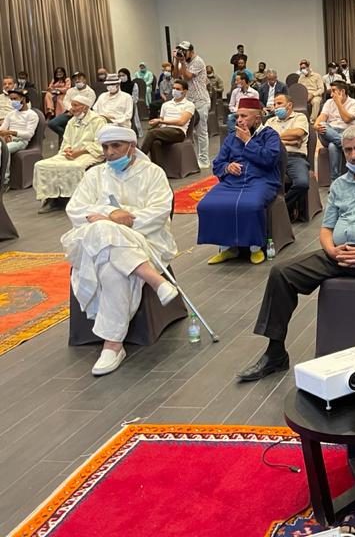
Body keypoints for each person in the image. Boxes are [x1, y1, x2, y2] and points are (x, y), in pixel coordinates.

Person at [237, 125, 355, 381]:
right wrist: (332, 251)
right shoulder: (340, 184)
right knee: (281, 272)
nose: (354, 156)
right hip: (341, 252)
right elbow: (326, 229)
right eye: (348, 150)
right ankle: (275, 352)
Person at [62, 125, 179, 376]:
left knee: (108, 253)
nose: (110, 152)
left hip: (145, 238)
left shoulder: (153, 173)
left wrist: (118, 219)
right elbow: (75, 209)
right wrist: (111, 214)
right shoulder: (94, 174)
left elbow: (159, 213)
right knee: (104, 233)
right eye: (105, 147)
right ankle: (154, 280)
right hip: (95, 241)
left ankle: (113, 345)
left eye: (116, 146)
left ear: (132, 147)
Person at [199, 97, 282, 265]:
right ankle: (228, 248)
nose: (239, 120)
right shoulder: (232, 137)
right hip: (232, 182)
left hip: (261, 181)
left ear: (257, 118)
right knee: (207, 204)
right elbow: (218, 163)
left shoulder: (270, 135)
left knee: (250, 204)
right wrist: (228, 167)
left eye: (244, 116)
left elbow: (269, 159)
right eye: (238, 116)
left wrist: (248, 141)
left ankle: (255, 248)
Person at [35, 96, 105, 213]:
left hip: (89, 153)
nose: (72, 108)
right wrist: (67, 149)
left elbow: (99, 144)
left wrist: (79, 152)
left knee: (76, 167)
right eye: (72, 105)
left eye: (76, 105)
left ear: (85, 107)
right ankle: (52, 199)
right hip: (71, 153)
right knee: (41, 165)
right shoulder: (72, 121)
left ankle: (78, 200)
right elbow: (66, 140)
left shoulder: (98, 121)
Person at [266, 93, 310, 219]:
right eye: (274, 104)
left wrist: (275, 138)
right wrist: (290, 141)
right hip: (274, 157)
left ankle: (280, 210)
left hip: (295, 157)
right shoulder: (270, 121)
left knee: (302, 183)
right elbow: (265, 140)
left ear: (289, 105)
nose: (276, 107)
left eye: (279, 103)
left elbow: (298, 133)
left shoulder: (300, 117)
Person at [172, 40, 210, 168]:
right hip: (189, 101)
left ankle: (204, 160)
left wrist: (182, 62)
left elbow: (187, 76)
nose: (182, 53)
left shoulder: (198, 61)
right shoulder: (184, 62)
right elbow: (176, 76)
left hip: (200, 100)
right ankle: (196, 158)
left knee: (201, 132)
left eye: (184, 51)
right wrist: (176, 60)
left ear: (191, 51)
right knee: (192, 133)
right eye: (180, 50)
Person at [315, 80, 355, 181]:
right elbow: (322, 117)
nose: (331, 94)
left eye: (333, 91)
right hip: (329, 133)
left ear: (342, 92)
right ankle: (347, 146)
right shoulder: (328, 102)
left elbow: (347, 119)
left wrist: (338, 103)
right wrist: (316, 126)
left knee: (333, 146)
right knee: (322, 125)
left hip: (347, 133)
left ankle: (335, 180)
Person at [140, 79, 195, 159]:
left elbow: (181, 122)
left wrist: (161, 121)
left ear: (185, 91)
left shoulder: (189, 105)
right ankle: (157, 164)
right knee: (155, 142)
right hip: (164, 130)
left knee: (152, 133)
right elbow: (161, 121)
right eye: (173, 88)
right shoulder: (166, 105)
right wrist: (155, 123)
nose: (175, 91)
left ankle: (139, 158)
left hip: (178, 132)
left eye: (178, 89)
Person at [1, 87, 39, 186]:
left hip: (21, 141)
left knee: (5, 149)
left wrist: (10, 132)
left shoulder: (32, 115)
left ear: (23, 98)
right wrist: (4, 135)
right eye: (11, 99)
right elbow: (2, 129)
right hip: (9, 139)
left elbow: (29, 134)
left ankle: (4, 180)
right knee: (3, 146)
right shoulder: (10, 114)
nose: (13, 102)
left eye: (15, 99)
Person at [47, 71, 96, 145]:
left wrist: (75, 111)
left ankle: (70, 138)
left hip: (84, 114)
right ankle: (66, 136)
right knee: (52, 123)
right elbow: (66, 101)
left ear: (85, 80)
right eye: (75, 79)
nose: (77, 80)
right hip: (70, 112)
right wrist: (71, 109)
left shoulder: (90, 92)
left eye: (79, 78)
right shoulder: (71, 90)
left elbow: (88, 105)